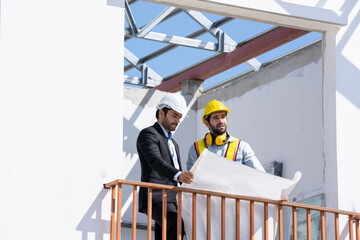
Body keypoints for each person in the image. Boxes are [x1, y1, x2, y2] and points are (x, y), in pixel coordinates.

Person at [137, 93, 194, 240]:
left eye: (180, 117)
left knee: (165, 234)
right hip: (156, 196)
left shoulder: (174, 143)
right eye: (175, 115)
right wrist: (179, 174)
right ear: (161, 112)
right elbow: (155, 161)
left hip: (172, 198)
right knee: (176, 224)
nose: (178, 120)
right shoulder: (148, 134)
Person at [187, 99, 265, 172]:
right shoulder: (195, 148)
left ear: (226, 119)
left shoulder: (242, 147)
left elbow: (260, 175)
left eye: (223, 117)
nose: (221, 121)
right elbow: (189, 181)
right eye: (215, 118)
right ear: (207, 123)